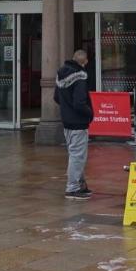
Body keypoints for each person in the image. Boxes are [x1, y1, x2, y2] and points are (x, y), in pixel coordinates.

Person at [54, 49, 93, 199]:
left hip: (67, 120)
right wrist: (90, 113)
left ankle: (80, 184)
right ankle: (73, 187)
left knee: (75, 153)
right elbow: (79, 103)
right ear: (85, 61)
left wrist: (66, 107)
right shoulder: (80, 77)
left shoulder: (61, 74)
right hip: (78, 121)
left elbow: (56, 97)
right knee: (77, 155)